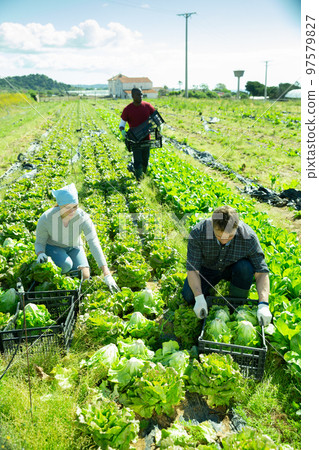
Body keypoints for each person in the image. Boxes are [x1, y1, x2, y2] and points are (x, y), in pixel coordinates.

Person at [182, 205, 272, 326]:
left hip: (233, 268)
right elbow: (192, 269)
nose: (224, 240)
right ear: (212, 226)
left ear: (237, 227)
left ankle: (236, 304)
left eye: (230, 236)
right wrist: (199, 297)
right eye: (219, 236)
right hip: (207, 269)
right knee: (189, 296)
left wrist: (263, 304)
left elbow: (261, 272)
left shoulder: (249, 237)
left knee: (245, 267)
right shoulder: (198, 233)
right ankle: (205, 299)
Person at [34, 183, 119, 293]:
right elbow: (39, 242)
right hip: (53, 247)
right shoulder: (47, 218)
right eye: (67, 208)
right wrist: (40, 253)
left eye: (75, 207)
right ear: (60, 205)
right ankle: (56, 282)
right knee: (66, 265)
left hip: (74, 247)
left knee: (85, 276)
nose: (72, 211)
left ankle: (70, 279)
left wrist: (106, 272)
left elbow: (93, 241)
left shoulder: (82, 217)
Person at [119, 87, 156, 181]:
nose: (141, 96)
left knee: (145, 159)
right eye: (138, 95)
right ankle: (139, 180)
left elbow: (156, 116)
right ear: (132, 96)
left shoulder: (147, 106)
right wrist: (122, 131)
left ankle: (144, 176)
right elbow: (122, 124)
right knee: (137, 160)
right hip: (135, 139)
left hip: (146, 137)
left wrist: (159, 125)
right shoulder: (128, 109)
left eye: (141, 94)